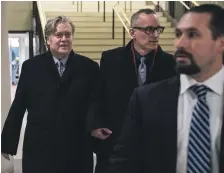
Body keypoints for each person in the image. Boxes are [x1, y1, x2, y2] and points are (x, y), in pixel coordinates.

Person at [105, 4, 224, 173]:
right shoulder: (147, 98)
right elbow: (124, 162)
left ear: (220, 42)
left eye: (192, 34)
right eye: (178, 34)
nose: (180, 43)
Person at [1, 16, 100, 173]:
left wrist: (96, 127)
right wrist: (8, 142)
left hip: (76, 147)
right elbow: (19, 105)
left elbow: (95, 103)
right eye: (58, 35)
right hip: (40, 147)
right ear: (48, 39)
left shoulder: (88, 67)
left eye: (68, 35)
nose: (64, 39)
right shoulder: (31, 67)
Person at [91, 8, 177, 173]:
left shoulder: (170, 63)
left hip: (155, 144)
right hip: (115, 139)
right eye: (149, 29)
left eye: (158, 29)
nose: (155, 35)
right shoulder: (110, 59)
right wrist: (96, 125)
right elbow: (98, 95)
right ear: (132, 33)